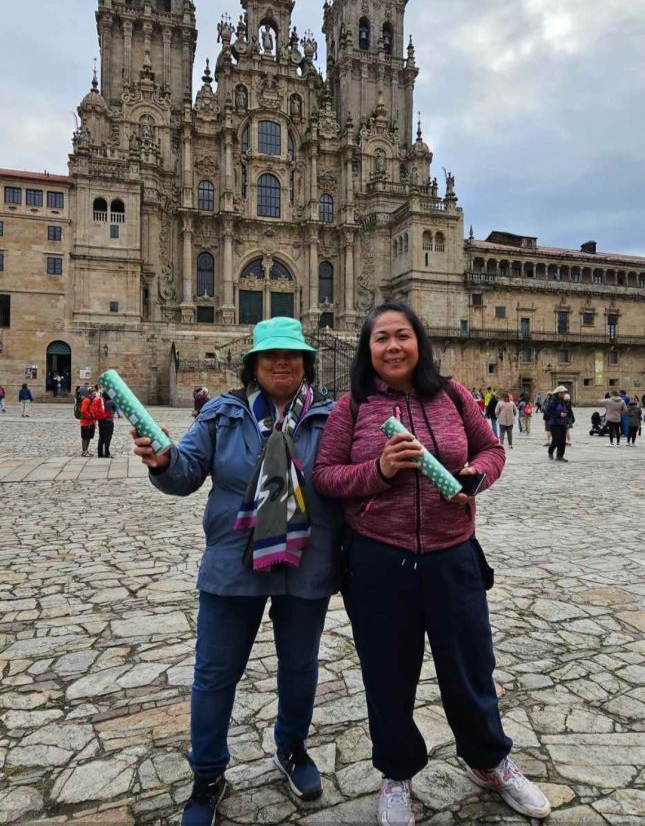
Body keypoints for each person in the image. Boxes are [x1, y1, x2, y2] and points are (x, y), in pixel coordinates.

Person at [313, 301, 550, 825]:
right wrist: (378, 471)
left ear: (418, 341)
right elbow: (326, 475)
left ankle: (490, 761)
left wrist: (475, 478)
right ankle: (396, 774)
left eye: (402, 335)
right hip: (378, 559)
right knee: (387, 673)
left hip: (452, 556)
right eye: (381, 338)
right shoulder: (352, 406)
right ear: (368, 349)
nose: (393, 346)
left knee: (470, 667)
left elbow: (491, 450)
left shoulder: (453, 395)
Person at [132, 317, 342, 826]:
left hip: (306, 562)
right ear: (253, 364)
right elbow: (185, 474)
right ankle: (207, 775)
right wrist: (162, 462)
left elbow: (347, 479)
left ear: (307, 363)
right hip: (233, 563)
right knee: (214, 674)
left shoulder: (332, 417)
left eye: (292, 354)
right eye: (270, 354)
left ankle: (291, 748)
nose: (281, 362)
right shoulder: (222, 414)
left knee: (300, 667)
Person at [546, 386, 569, 461]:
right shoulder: (553, 400)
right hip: (554, 423)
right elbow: (549, 411)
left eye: (564, 392)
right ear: (558, 393)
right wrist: (559, 414)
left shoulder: (563, 401)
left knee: (562, 440)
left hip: (562, 423)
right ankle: (550, 451)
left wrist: (567, 417)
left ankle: (560, 456)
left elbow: (567, 410)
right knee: (556, 439)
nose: (563, 394)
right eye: (562, 393)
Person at [92, 388, 116, 457]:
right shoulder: (111, 402)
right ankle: (107, 453)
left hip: (101, 420)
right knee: (108, 437)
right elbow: (114, 410)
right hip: (109, 421)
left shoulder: (100, 401)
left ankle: (100, 453)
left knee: (101, 437)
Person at [80, 387, 96, 456]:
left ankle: (86, 450)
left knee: (89, 436)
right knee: (85, 437)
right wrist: (90, 416)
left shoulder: (92, 400)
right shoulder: (86, 400)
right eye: (93, 391)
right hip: (86, 422)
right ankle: (84, 451)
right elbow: (83, 411)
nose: (95, 393)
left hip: (91, 422)